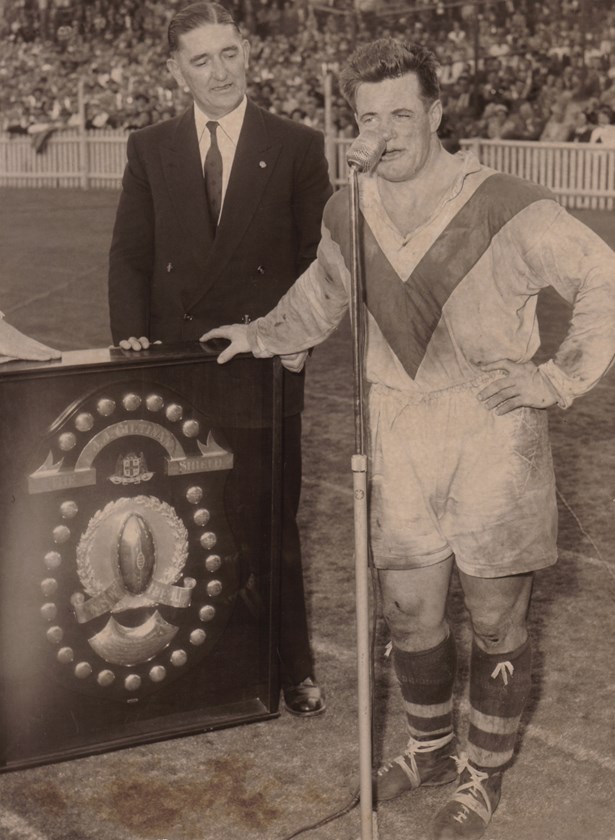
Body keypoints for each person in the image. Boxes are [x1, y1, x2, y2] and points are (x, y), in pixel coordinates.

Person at [202, 38, 615, 840]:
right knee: (407, 612)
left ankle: (479, 773)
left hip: (492, 432)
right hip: (396, 425)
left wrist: (554, 377)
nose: (384, 132)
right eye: (368, 117)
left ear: (434, 112)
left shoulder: (505, 202)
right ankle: (428, 749)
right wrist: (262, 335)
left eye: (401, 112)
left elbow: (602, 277)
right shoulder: (346, 206)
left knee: (495, 620)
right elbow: (324, 289)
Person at [108, 2, 332, 717]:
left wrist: (289, 341)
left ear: (249, 56)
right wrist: (130, 341)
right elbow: (130, 256)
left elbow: (317, 263)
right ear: (177, 71)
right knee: (179, 521)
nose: (219, 71)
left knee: (270, 523)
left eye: (229, 54)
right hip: (176, 372)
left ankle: (290, 666)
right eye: (201, 60)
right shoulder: (149, 146)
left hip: (262, 367)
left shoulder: (296, 144)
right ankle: (193, 667)